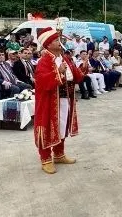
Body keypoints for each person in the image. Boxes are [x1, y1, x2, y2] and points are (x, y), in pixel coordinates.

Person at [33, 29, 85, 174]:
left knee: (62, 127)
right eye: (56, 40)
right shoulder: (44, 61)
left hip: (66, 99)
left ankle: (59, 154)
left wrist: (84, 68)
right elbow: (42, 81)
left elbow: (75, 74)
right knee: (48, 128)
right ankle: (46, 159)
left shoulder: (64, 57)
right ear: (48, 45)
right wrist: (59, 72)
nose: (59, 42)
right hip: (50, 101)